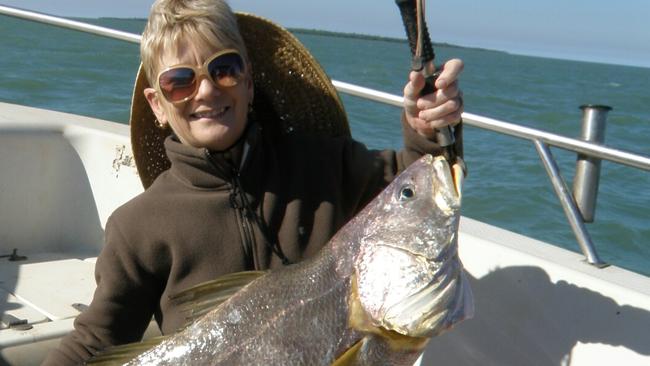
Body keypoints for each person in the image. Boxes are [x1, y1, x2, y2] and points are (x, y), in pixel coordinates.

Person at [43, 0, 464, 364]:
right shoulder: (138, 227)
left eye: (223, 69)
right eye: (179, 81)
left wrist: (427, 125)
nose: (205, 91)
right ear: (157, 104)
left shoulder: (326, 163)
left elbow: (420, 189)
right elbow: (96, 341)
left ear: (248, 81)